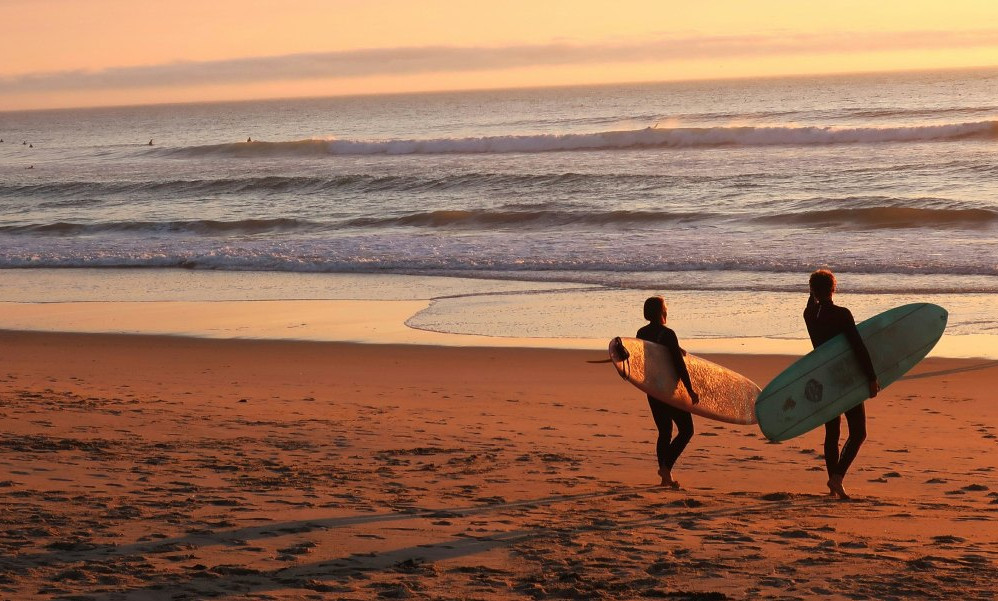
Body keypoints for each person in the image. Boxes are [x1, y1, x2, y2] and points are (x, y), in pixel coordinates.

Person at [804, 269, 880, 500]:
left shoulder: (809, 315)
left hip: (824, 380)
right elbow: (858, 347)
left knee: (832, 432)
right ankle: (837, 477)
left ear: (813, 290)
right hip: (846, 378)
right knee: (858, 433)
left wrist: (812, 293)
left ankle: (832, 484)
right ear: (833, 288)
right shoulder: (842, 314)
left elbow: (811, 305)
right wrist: (871, 377)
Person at [636, 296, 700, 489]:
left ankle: (666, 477)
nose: (667, 309)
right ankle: (666, 467)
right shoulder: (668, 334)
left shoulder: (641, 332)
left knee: (664, 431)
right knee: (687, 430)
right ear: (660, 311)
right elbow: (679, 365)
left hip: (652, 389)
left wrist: (675, 347)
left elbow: (647, 357)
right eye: (665, 307)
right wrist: (690, 390)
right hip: (669, 390)